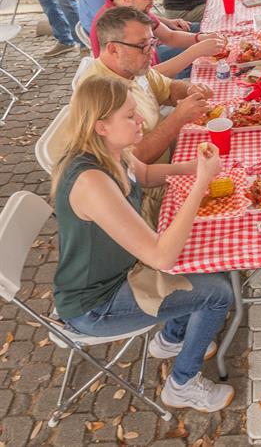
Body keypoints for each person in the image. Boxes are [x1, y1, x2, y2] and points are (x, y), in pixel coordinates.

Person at [51, 74, 235, 412]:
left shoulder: (109, 152)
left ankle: (171, 338)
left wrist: (197, 168)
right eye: (131, 116)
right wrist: (201, 184)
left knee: (205, 263)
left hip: (121, 274)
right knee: (219, 293)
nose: (142, 121)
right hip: (95, 305)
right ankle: (182, 384)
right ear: (101, 126)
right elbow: (162, 256)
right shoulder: (91, 180)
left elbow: (147, 175)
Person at [79, 6, 212, 223]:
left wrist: (190, 90)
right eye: (143, 46)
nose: (151, 51)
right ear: (113, 49)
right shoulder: (103, 93)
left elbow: (168, 89)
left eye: (152, 43)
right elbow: (136, 160)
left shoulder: (132, 67)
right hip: (146, 193)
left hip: (170, 160)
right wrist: (178, 118)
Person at [89, 0, 225, 79]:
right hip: (140, 96)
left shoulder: (135, 9)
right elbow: (144, 79)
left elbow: (170, 36)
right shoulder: (113, 26)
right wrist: (196, 51)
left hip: (155, 76)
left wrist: (201, 38)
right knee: (206, 64)